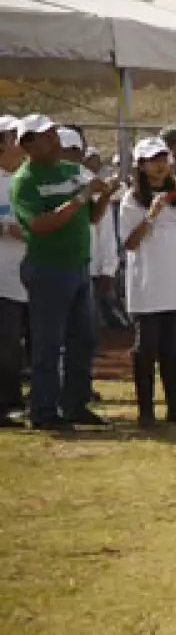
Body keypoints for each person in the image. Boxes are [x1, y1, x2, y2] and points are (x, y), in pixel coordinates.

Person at [11, 115, 113, 428]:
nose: (54, 140)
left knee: (83, 339)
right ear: (27, 145)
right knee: (48, 342)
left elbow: (92, 217)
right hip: (48, 269)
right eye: (46, 136)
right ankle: (43, 410)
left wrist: (104, 196)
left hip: (79, 266)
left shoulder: (71, 170)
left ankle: (75, 403)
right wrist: (80, 196)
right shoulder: (25, 181)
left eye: (54, 133)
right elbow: (40, 225)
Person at [120, 137, 176, 427]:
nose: (159, 165)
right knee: (147, 346)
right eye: (152, 160)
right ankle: (145, 410)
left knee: (170, 346)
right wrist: (151, 216)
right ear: (141, 165)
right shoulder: (133, 199)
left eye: (163, 158)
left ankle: (175, 407)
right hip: (146, 283)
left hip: (174, 280)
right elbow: (129, 242)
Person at [0, 117, 26, 424]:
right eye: (14, 138)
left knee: (17, 341)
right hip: (3, 276)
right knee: (6, 341)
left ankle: (16, 400)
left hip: (26, 273)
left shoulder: (24, 178)